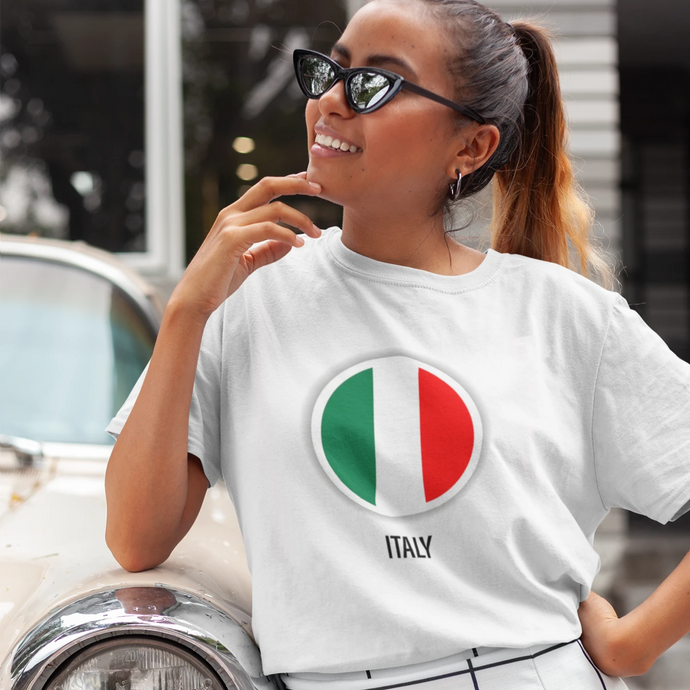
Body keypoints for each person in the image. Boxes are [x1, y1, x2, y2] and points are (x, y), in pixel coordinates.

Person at [104, 0, 690, 688]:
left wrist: (631, 646)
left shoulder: (564, 315)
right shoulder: (246, 299)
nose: (329, 103)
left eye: (374, 84)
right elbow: (136, 540)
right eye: (331, 71)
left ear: (470, 147)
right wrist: (185, 312)